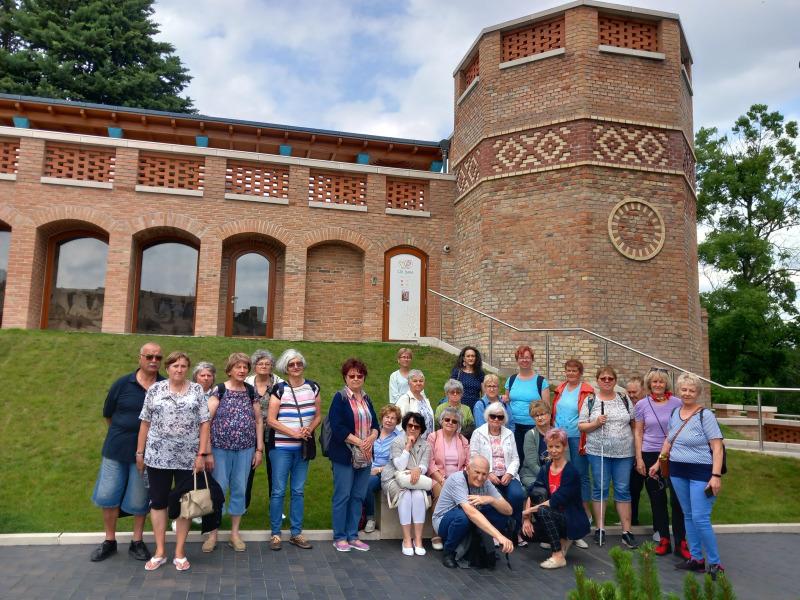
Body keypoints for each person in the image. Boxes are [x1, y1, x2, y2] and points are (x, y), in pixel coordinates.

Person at [136, 351, 211, 571]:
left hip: (188, 458)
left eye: (183, 366)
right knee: (158, 502)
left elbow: (204, 423)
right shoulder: (155, 389)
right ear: (167, 368)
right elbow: (145, 422)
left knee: (185, 504)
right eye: (175, 366)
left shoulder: (197, 390)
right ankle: (160, 550)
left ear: (188, 368)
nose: (179, 369)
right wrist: (140, 453)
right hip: (158, 456)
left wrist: (201, 455)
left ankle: (179, 551)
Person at [90, 342, 164, 563]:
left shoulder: (164, 386)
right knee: (108, 496)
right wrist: (124, 432)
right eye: (149, 356)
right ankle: (109, 541)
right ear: (139, 358)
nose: (153, 361)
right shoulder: (122, 384)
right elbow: (108, 414)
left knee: (139, 498)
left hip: (149, 454)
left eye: (158, 357)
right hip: (116, 449)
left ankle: (137, 541)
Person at [649, 373, 725, 580]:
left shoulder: (705, 415)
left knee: (700, 518)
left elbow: (717, 448)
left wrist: (715, 475)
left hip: (701, 471)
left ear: (698, 393)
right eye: (684, 389)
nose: (687, 393)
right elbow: (669, 440)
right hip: (677, 470)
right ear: (679, 391)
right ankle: (697, 559)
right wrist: (658, 462)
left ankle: (715, 563)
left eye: (692, 390)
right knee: (688, 515)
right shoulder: (675, 412)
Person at [202, 353, 263, 553]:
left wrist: (259, 449)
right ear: (230, 370)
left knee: (239, 489)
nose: (242, 370)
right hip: (219, 449)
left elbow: (258, 421)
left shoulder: (251, 392)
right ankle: (213, 534)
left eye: (245, 367)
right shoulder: (219, 390)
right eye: (238, 367)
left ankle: (234, 533)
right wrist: (207, 451)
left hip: (245, 450)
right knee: (217, 491)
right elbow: (206, 421)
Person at [578, 365, 637, 549]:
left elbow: (634, 423)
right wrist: (596, 423)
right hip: (599, 451)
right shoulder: (591, 400)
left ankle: (626, 531)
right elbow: (581, 426)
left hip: (624, 452)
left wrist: (636, 447)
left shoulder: (624, 398)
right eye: (603, 378)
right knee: (600, 488)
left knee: (622, 489)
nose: (606, 381)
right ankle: (600, 528)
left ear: (615, 381)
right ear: (598, 381)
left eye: (610, 378)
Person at [267, 349, 320, 551]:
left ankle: (296, 533)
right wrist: (293, 433)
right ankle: (275, 534)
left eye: (298, 363)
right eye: (291, 364)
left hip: (303, 448)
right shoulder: (279, 389)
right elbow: (271, 420)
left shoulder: (313, 387)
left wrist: (309, 428)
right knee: (279, 491)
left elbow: (317, 416)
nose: (296, 367)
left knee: (298, 491)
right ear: (285, 368)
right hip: (281, 447)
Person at [634, 369, 687, 558]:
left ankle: (681, 541)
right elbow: (638, 432)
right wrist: (639, 458)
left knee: (677, 498)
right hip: (649, 453)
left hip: (674, 454)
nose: (658, 385)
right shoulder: (641, 404)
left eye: (661, 382)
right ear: (649, 384)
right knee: (657, 499)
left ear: (666, 384)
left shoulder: (677, 403)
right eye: (654, 382)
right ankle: (664, 538)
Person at [327, 358, 379, 552]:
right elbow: (337, 427)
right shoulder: (339, 398)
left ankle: (353, 535)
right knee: (343, 495)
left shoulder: (366, 398)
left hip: (365, 456)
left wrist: (372, 437)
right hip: (344, 455)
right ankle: (339, 536)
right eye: (352, 376)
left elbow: (376, 425)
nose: (356, 379)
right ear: (345, 377)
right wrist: (360, 442)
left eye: (360, 375)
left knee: (357, 496)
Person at [521, 428, 590, 569]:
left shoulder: (571, 472)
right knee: (526, 533)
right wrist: (527, 519)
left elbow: (555, 500)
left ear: (564, 447)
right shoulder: (546, 469)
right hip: (554, 514)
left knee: (543, 510)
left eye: (557, 446)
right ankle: (561, 539)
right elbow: (533, 492)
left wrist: (529, 511)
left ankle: (558, 556)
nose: (553, 450)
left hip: (571, 517)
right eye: (550, 446)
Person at [432, 454, 514, 569]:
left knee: (500, 512)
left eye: (484, 474)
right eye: (477, 472)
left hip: (469, 519)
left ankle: (482, 547)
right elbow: (471, 513)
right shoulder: (457, 480)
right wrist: (499, 536)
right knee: (464, 516)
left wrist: (490, 499)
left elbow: (508, 510)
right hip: (443, 522)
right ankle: (448, 552)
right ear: (468, 469)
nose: (480, 478)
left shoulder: (486, 483)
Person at [469, 402, 526, 544]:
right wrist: (488, 473)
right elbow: (473, 456)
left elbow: (515, 458)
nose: (496, 420)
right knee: (491, 498)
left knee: (517, 495)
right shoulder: (478, 433)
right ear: (487, 417)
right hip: (486, 475)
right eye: (492, 416)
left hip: (507, 474)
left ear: (503, 419)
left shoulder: (509, 434)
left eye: (499, 417)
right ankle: (496, 532)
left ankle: (515, 530)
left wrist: (510, 473)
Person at [381, 412, 432, 556]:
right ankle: (407, 539)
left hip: (414, 479)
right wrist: (408, 447)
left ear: (421, 429)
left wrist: (418, 469)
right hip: (393, 478)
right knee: (405, 495)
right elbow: (400, 466)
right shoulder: (397, 441)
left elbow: (424, 465)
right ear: (405, 426)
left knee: (417, 495)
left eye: (417, 426)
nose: (413, 428)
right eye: (410, 425)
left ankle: (418, 540)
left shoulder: (426, 445)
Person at [551, 358, 594, 523]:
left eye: (574, 370)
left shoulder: (586, 391)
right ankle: (565, 509)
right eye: (568, 370)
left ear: (580, 373)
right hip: (560, 437)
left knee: (581, 474)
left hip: (578, 437)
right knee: (562, 474)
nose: (571, 373)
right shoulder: (561, 388)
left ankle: (585, 512)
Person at [427, 406, 471, 550]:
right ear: (441, 421)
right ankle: (437, 533)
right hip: (438, 477)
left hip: (458, 479)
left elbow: (467, 464)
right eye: (447, 419)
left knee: (463, 501)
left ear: (458, 425)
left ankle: (456, 533)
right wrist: (442, 479)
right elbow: (430, 462)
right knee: (441, 496)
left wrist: (459, 478)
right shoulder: (433, 437)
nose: (450, 423)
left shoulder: (463, 440)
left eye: (454, 421)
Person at [244, 350, 283, 509]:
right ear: (254, 366)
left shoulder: (280, 384)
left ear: (272, 366)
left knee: (275, 473)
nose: (264, 366)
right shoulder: (246, 383)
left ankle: (275, 509)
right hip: (250, 434)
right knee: (247, 471)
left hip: (275, 433)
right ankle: (243, 506)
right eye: (260, 363)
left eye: (267, 364)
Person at [504, 345, 550, 461]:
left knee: (533, 458)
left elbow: (547, 408)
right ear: (517, 360)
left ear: (532, 359)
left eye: (527, 357)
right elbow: (507, 401)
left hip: (534, 426)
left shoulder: (541, 381)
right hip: (513, 426)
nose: (524, 360)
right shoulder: (511, 379)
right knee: (516, 457)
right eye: (521, 357)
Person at [363, 404, 401, 533]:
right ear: (382, 418)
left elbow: (398, 462)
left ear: (397, 421)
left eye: (393, 418)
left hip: (385, 473)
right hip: (366, 468)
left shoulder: (399, 438)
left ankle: (370, 519)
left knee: (367, 484)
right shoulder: (373, 433)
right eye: (387, 417)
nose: (389, 420)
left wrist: (379, 470)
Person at [625, 374, 646, 526]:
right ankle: (632, 519)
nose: (632, 396)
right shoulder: (626, 405)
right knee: (633, 487)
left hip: (649, 450)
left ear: (643, 390)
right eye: (629, 392)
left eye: (635, 392)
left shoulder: (648, 405)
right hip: (631, 452)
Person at [395, 369, 435, 437]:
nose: (418, 383)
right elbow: (398, 424)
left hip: (427, 443)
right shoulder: (404, 399)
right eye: (415, 381)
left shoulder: (425, 400)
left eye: (421, 381)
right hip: (411, 442)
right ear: (409, 383)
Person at [450, 346, 485, 411]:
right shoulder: (457, 372)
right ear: (464, 358)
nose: (471, 358)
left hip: (475, 408)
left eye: (473, 356)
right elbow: (450, 390)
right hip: (459, 407)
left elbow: (483, 394)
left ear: (476, 358)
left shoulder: (480, 373)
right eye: (468, 356)